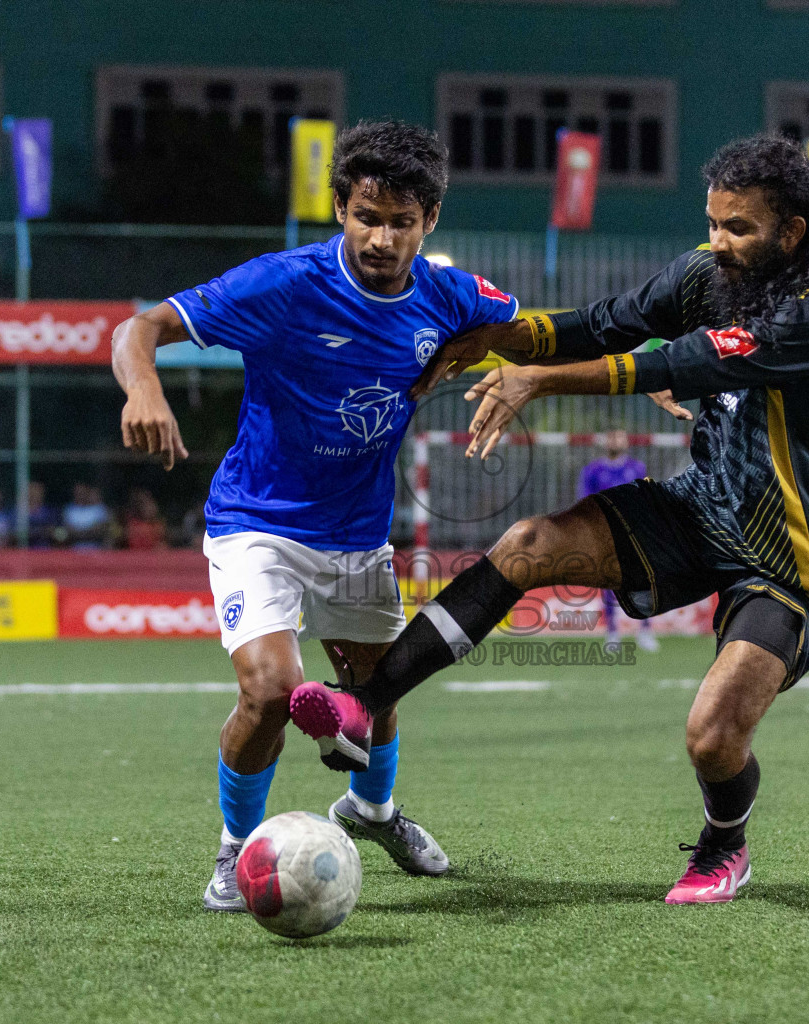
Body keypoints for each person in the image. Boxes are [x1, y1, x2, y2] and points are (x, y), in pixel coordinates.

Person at [289, 133, 809, 904]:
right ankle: (364, 703)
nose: (717, 242)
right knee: (528, 545)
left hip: (788, 557)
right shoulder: (702, 271)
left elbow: (674, 363)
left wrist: (538, 380)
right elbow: (607, 321)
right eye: (713, 222)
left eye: (738, 229)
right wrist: (492, 340)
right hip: (700, 511)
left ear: (790, 233)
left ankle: (725, 846)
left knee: (713, 736)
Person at [111, 120, 521, 913]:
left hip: (357, 532)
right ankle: (237, 851)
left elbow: (522, 329)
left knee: (376, 692)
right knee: (271, 690)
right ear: (340, 207)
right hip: (256, 520)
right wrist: (144, 389)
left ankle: (371, 813)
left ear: (429, 221)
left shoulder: (451, 294)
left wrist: (489, 357)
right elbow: (142, 327)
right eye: (368, 216)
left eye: (401, 222)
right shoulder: (285, 284)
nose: (381, 237)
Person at [577, 429, 659, 652]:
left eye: (620, 436)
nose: (616, 440)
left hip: (633, 535)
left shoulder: (636, 468)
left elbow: (644, 500)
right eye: (612, 436)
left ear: (626, 441)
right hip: (606, 536)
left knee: (643, 581)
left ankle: (645, 630)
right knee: (609, 584)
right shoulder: (593, 471)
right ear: (605, 442)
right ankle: (612, 633)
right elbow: (585, 503)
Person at [62, 484, 114, 550]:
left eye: (82, 493)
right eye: (78, 493)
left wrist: (78, 532)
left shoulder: (99, 508)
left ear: (87, 493)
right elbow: (67, 531)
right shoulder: (69, 510)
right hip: (74, 550)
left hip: (96, 549)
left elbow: (101, 530)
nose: (80, 495)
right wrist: (88, 531)